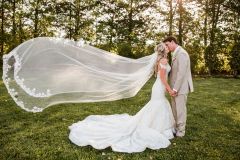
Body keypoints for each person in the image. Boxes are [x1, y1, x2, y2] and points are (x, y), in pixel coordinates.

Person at [68, 43, 175, 153]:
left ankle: (154, 124)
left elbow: (160, 76)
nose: (168, 48)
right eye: (166, 47)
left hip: (158, 86)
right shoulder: (163, 61)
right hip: (160, 86)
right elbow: (162, 77)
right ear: (164, 50)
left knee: (157, 105)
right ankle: (156, 126)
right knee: (158, 104)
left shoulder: (159, 60)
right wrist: (170, 89)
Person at [163, 36, 194, 137]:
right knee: (175, 109)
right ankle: (176, 127)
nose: (166, 47)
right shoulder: (175, 53)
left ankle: (181, 130)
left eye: (167, 44)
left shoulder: (182, 53)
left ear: (173, 42)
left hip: (181, 87)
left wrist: (175, 88)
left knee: (180, 110)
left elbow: (181, 73)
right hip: (174, 87)